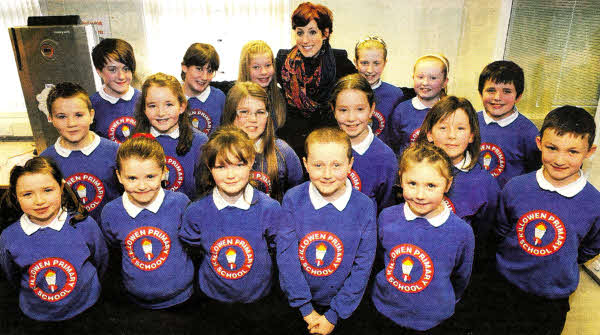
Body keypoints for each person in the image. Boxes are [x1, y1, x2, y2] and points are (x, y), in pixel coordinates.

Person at [179, 126, 313, 331]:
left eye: (238, 165)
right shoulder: (196, 211)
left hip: (260, 303)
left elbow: (279, 250)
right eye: (221, 167)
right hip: (212, 304)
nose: (231, 175)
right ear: (209, 167)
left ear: (251, 162)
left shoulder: (270, 208)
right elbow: (192, 246)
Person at [485, 106, 600, 335]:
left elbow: (590, 246)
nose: (559, 159)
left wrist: (563, 257)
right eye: (552, 148)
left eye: (572, 152)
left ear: (589, 152)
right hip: (503, 289)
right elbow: (500, 231)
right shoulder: (516, 187)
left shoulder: (594, 203)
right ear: (539, 143)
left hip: (550, 301)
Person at [371, 142, 474, 334]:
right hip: (384, 313)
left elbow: (462, 277)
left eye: (431, 186)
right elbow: (379, 259)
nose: (420, 195)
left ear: (448, 184)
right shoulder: (386, 217)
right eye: (412, 184)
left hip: (434, 321)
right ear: (401, 180)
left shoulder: (461, 232)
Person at [282, 127, 376, 335]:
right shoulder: (292, 199)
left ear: (350, 164)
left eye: (336, 165)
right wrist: (306, 309)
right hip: (300, 306)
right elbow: (286, 258)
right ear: (305, 164)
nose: (327, 174)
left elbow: (363, 266)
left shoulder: (364, 206)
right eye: (318, 165)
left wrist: (334, 314)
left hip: (343, 308)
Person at [0, 156, 108, 321]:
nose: (39, 201)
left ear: (61, 187)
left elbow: (101, 260)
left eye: (48, 190)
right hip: (37, 316)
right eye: (27, 194)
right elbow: (12, 276)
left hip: (87, 310)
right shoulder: (9, 237)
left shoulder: (84, 224)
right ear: (16, 196)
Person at [100, 135, 194, 309]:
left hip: (183, 300)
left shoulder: (181, 203)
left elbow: (192, 245)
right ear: (119, 176)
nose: (142, 186)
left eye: (150, 176)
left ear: (164, 173)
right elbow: (113, 251)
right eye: (132, 178)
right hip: (134, 303)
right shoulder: (111, 212)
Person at [276, 2, 357, 158]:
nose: (305, 40)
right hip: (292, 145)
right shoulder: (283, 60)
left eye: (312, 32)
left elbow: (362, 92)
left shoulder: (339, 61)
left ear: (325, 33)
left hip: (328, 144)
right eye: (300, 33)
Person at [40, 82, 120, 224]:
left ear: (91, 115)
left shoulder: (116, 152)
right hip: (71, 238)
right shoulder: (45, 161)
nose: (71, 123)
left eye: (78, 115)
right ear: (50, 118)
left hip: (112, 236)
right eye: (61, 116)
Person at [221, 82, 303, 201]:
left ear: (268, 115)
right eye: (244, 112)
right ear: (231, 113)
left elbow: (298, 197)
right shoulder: (218, 151)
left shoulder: (283, 152)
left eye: (260, 112)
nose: (253, 119)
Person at [133, 72, 208, 199]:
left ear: (181, 107)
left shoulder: (199, 142)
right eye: (152, 106)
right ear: (144, 109)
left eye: (169, 104)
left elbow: (205, 191)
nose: (161, 113)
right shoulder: (135, 142)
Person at [331, 74, 397, 213]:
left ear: (372, 109)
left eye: (360, 109)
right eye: (343, 110)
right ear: (333, 110)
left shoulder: (385, 157)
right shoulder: (324, 148)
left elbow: (385, 208)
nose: (351, 118)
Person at [477, 60, 540, 188]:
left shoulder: (529, 133)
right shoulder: (469, 121)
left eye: (506, 91)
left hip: (506, 203)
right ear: (480, 93)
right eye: (491, 90)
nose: (497, 97)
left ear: (518, 96)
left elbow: (534, 174)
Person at [212, 40, 287, 130]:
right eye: (256, 67)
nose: (264, 72)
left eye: (268, 65)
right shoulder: (230, 92)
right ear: (245, 69)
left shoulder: (281, 96)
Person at [389, 54, 449, 157]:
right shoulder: (402, 110)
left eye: (433, 78)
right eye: (420, 77)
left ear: (445, 82)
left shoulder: (449, 112)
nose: (425, 82)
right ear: (413, 78)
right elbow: (393, 145)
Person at [354, 36, 408, 146]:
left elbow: (397, 135)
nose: (370, 70)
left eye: (376, 63)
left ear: (385, 63)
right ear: (356, 62)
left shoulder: (395, 95)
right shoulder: (346, 92)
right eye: (364, 63)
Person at [90, 38, 141, 143]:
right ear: (99, 71)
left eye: (126, 69)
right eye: (112, 70)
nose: (121, 76)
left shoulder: (145, 100)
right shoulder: (90, 105)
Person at [181, 43, 226, 136]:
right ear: (184, 67)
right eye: (199, 69)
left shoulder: (219, 98)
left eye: (210, 71)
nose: (204, 77)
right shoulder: (171, 96)